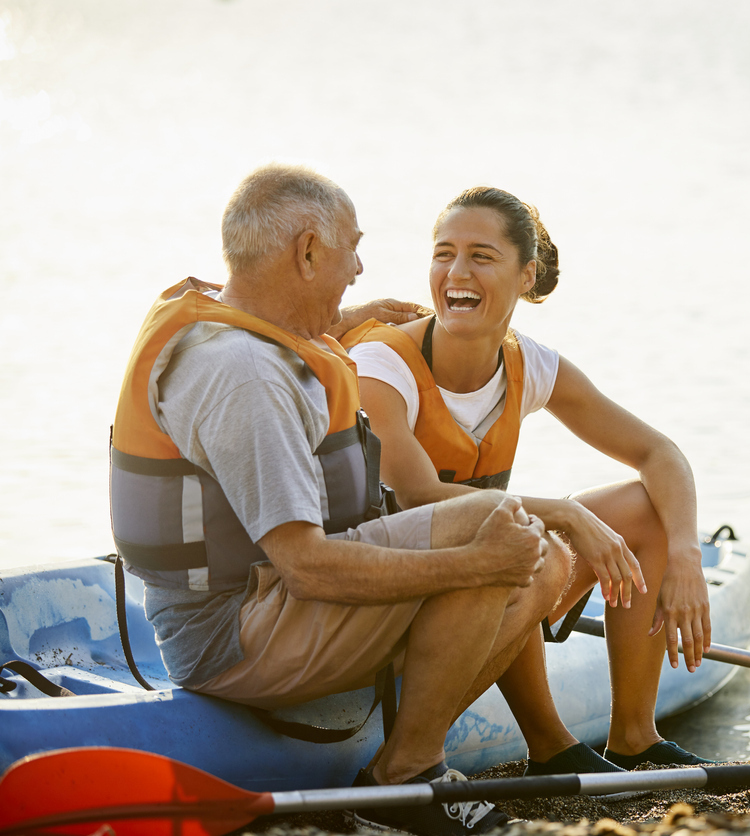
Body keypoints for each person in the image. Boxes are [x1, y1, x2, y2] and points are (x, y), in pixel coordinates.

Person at [109, 165, 570, 836]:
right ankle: (403, 779)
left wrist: (341, 319)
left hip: (265, 603)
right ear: (306, 253)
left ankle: (406, 742)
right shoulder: (244, 377)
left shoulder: (233, 318)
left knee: (540, 555)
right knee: (493, 533)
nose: (358, 268)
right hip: (233, 635)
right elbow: (307, 568)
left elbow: (265, 320)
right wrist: (474, 567)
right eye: (351, 249)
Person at [345, 186, 714, 774]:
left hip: (484, 577)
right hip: (390, 602)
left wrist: (685, 556)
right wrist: (566, 514)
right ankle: (549, 744)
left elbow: (659, 453)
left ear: (526, 275)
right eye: (443, 254)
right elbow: (418, 495)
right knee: (526, 546)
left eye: (481, 256)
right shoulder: (382, 365)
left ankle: (634, 738)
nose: (456, 272)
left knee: (644, 510)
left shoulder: (529, 363)